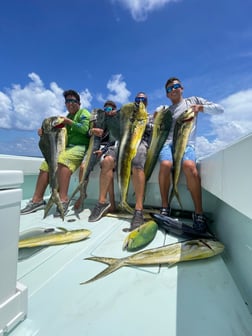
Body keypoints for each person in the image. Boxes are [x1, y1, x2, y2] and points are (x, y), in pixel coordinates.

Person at [158, 77, 224, 232]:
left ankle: (199, 213)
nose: (173, 90)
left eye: (176, 86)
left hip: (187, 144)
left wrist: (201, 108)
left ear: (182, 88)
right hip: (168, 144)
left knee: (188, 165)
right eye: (169, 89)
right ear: (167, 95)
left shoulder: (193, 101)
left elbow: (220, 110)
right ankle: (165, 207)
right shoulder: (166, 112)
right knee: (165, 164)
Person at [88, 93, 153, 231]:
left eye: (143, 99)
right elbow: (115, 135)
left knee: (137, 163)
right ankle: (101, 203)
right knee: (107, 162)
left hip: (140, 143)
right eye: (137, 99)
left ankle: (138, 210)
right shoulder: (126, 115)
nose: (140, 101)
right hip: (122, 144)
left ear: (147, 102)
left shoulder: (151, 116)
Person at [21, 89, 90, 217]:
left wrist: (69, 122)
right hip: (65, 147)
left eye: (72, 101)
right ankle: (37, 200)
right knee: (46, 164)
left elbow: (86, 129)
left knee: (62, 161)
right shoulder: (65, 118)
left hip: (80, 147)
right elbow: (55, 132)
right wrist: (43, 132)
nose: (70, 103)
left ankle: (63, 200)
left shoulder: (83, 113)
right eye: (67, 101)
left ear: (78, 103)